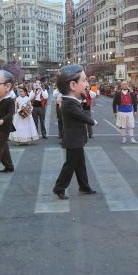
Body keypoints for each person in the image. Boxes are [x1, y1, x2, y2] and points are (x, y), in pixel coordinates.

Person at [52, 64, 98, 200]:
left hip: (76, 139)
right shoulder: (69, 103)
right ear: (72, 85)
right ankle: (59, 188)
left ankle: (84, 186)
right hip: (73, 140)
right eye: (84, 81)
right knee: (70, 165)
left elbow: (80, 111)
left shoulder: (70, 101)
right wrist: (92, 121)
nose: (86, 84)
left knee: (80, 164)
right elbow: (81, 115)